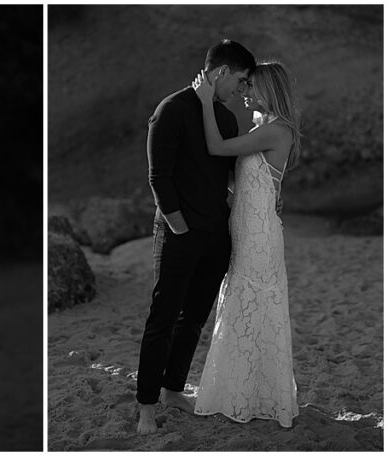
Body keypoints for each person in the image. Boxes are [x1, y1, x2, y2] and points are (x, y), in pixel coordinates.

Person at [137, 39, 256, 434]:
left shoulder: (223, 118)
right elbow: (159, 177)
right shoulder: (169, 110)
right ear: (221, 72)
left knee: (193, 321)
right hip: (178, 232)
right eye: (239, 81)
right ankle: (146, 409)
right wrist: (179, 227)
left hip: (215, 236)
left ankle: (173, 389)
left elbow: (225, 179)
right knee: (163, 318)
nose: (241, 91)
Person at [190, 61, 301, 427]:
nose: (246, 93)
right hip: (246, 229)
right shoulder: (262, 128)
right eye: (245, 85)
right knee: (242, 306)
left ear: (270, 90)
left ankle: (252, 396)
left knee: (252, 306)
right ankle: (242, 392)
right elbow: (249, 182)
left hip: (259, 236)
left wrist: (205, 101)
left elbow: (217, 146)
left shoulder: (276, 131)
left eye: (252, 87)